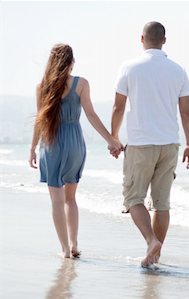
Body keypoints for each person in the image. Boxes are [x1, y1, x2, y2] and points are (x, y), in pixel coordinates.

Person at [110, 21, 189, 268]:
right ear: (164, 41)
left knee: (133, 198)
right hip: (170, 144)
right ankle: (155, 257)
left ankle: (150, 243)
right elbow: (186, 112)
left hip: (140, 144)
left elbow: (118, 106)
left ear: (142, 39)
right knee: (161, 203)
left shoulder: (129, 67)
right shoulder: (178, 70)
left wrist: (114, 137)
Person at [29, 44, 123, 258]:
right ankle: (74, 245)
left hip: (51, 143)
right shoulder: (81, 84)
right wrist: (111, 140)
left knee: (56, 200)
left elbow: (39, 121)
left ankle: (64, 249)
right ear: (71, 62)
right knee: (70, 198)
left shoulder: (42, 86)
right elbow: (90, 115)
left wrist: (32, 147)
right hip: (74, 142)